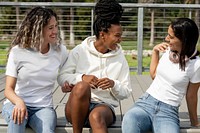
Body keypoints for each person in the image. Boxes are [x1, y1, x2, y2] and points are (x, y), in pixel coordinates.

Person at [57, 0, 132, 133]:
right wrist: (82, 77)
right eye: (117, 36)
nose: (120, 40)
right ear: (103, 35)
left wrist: (113, 84)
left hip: (103, 107)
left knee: (96, 116)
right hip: (75, 108)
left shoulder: (120, 58)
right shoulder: (80, 50)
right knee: (82, 86)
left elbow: (126, 91)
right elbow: (62, 77)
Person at [122, 17, 200, 133]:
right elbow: (154, 75)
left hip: (168, 112)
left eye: (171, 37)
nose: (166, 38)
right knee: (130, 120)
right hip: (145, 103)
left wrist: (194, 121)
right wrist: (155, 52)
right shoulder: (168, 52)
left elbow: (191, 95)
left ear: (184, 39)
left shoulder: (196, 64)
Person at [2, 6, 68, 133]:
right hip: (16, 103)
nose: (55, 31)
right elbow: (8, 90)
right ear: (37, 30)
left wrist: (66, 84)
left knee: (47, 130)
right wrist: (19, 102)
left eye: (56, 26)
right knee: (17, 119)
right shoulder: (18, 52)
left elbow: (67, 74)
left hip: (43, 108)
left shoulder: (60, 51)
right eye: (50, 28)